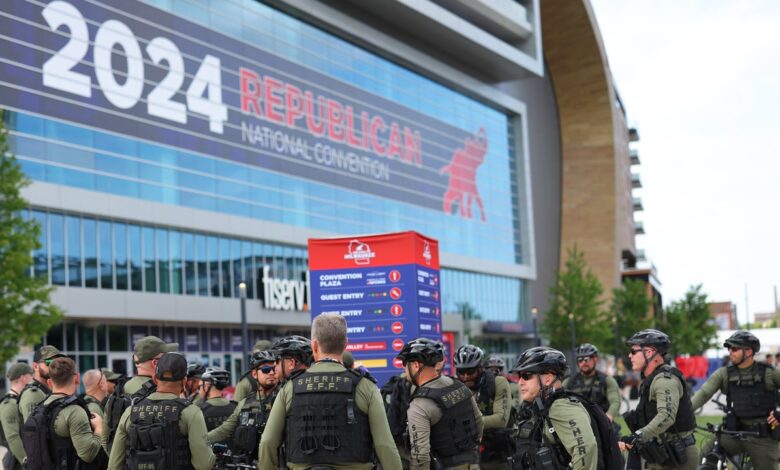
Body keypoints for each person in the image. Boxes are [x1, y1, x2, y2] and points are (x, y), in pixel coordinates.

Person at [258, 315, 402, 470]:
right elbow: (385, 445)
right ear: (346, 344)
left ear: (314, 346)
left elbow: (267, 442)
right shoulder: (364, 386)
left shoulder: (290, 387)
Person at [106, 352, 215, 470]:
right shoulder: (191, 412)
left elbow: (113, 466)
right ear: (184, 381)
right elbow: (204, 464)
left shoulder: (130, 411)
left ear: (155, 379)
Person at [691, 331, 780, 470]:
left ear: (749, 351)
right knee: (704, 455)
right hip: (734, 435)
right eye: (729, 349)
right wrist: (683, 413)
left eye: (734, 349)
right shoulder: (724, 373)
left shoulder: (769, 373)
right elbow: (703, 393)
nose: (730, 352)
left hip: (763, 438)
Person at [399, 337, 482, 470]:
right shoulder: (458, 385)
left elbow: (421, 456)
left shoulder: (420, 404)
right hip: (473, 464)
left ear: (416, 365)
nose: (404, 369)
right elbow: (478, 421)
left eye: (405, 364)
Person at [509, 347, 599, 470]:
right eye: (519, 376)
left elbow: (586, 449)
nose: (520, 382)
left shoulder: (561, 407)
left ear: (548, 378)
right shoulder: (543, 406)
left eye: (526, 376)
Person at [620, 329, 697, 470]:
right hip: (659, 452)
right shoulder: (650, 380)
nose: (629, 356)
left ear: (649, 352)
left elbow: (666, 416)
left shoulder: (664, 380)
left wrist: (638, 435)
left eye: (633, 351)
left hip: (677, 456)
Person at [21, 357, 106, 470]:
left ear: (49, 382)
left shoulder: (40, 407)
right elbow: (87, 454)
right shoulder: (74, 411)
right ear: (76, 378)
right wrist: (99, 428)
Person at [102, 335, 177, 454]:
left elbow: (106, 440)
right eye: (166, 358)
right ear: (155, 363)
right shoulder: (168, 390)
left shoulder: (117, 393)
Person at [207, 350, 278, 463]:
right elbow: (225, 429)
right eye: (265, 369)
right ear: (254, 374)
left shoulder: (283, 397)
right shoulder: (245, 403)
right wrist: (201, 440)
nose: (271, 372)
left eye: (274, 368)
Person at [453, 344, 512, 468]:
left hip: (494, 454)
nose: (465, 377)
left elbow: (501, 419)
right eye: (461, 372)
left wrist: (465, 424)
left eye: (470, 372)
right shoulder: (454, 386)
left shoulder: (498, 382)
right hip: (465, 455)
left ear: (480, 368)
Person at [563, 343, 621, 420]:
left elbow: (615, 401)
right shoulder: (569, 381)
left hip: (600, 424)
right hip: (576, 424)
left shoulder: (606, 380)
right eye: (580, 360)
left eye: (586, 359)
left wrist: (609, 416)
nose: (583, 363)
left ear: (595, 359)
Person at [0, 363, 34, 470]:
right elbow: (13, 437)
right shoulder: (8, 404)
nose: (32, 379)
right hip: (17, 463)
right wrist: (27, 462)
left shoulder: (20, 400)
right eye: (30, 375)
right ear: (23, 378)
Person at [18, 345, 64, 423]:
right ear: (35, 366)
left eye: (58, 362)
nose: (55, 366)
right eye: (49, 362)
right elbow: (33, 431)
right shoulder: (33, 394)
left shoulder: (48, 390)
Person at [196, 367, 237, 431]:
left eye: (200, 386)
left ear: (207, 386)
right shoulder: (235, 407)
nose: (199, 390)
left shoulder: (198, 410)